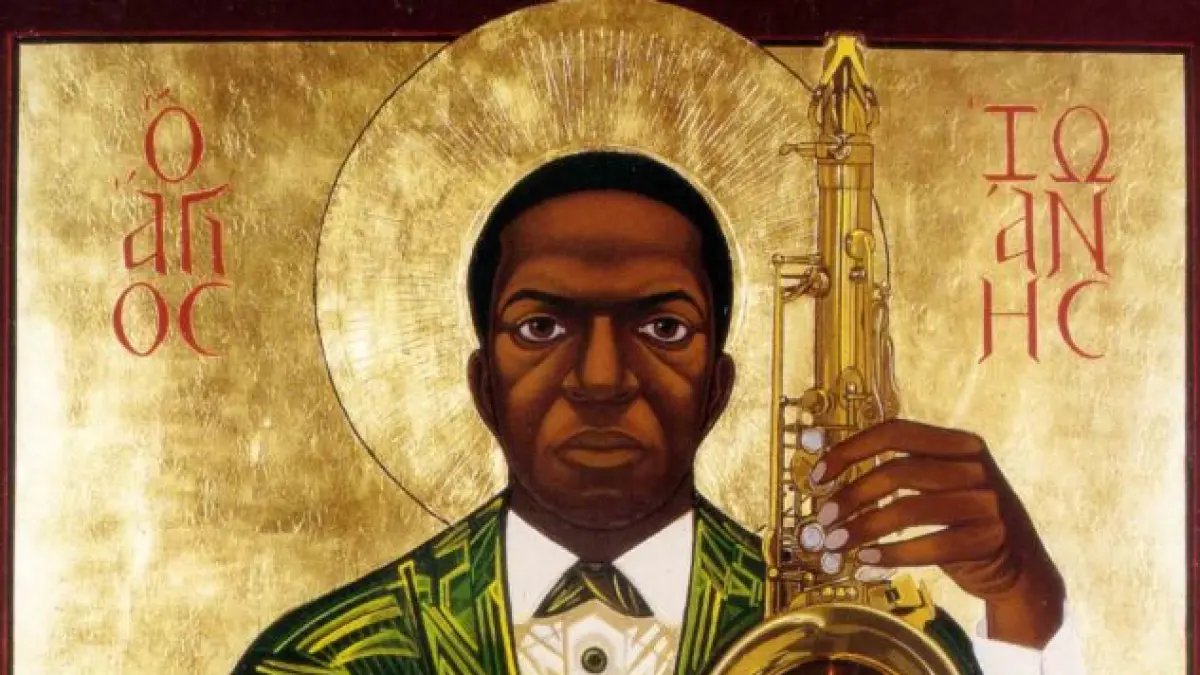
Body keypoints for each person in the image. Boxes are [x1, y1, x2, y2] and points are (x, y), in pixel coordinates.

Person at [234, 152, 1082, 675]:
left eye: (664, 327)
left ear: (718, 386)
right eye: (541, 326)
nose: (602, 379)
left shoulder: (875, 653)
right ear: (483, 385)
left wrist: (1024, 606)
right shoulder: (319, 659)